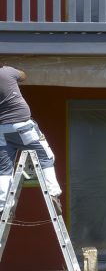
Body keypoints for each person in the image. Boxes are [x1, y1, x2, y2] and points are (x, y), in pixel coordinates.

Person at [0, 65, 62, 214]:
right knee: (46, 157)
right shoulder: (6, 71)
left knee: (4, 169)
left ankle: (2, 207)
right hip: (22, 126)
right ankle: (53, 194)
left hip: (2, 130)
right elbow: (23, 75)